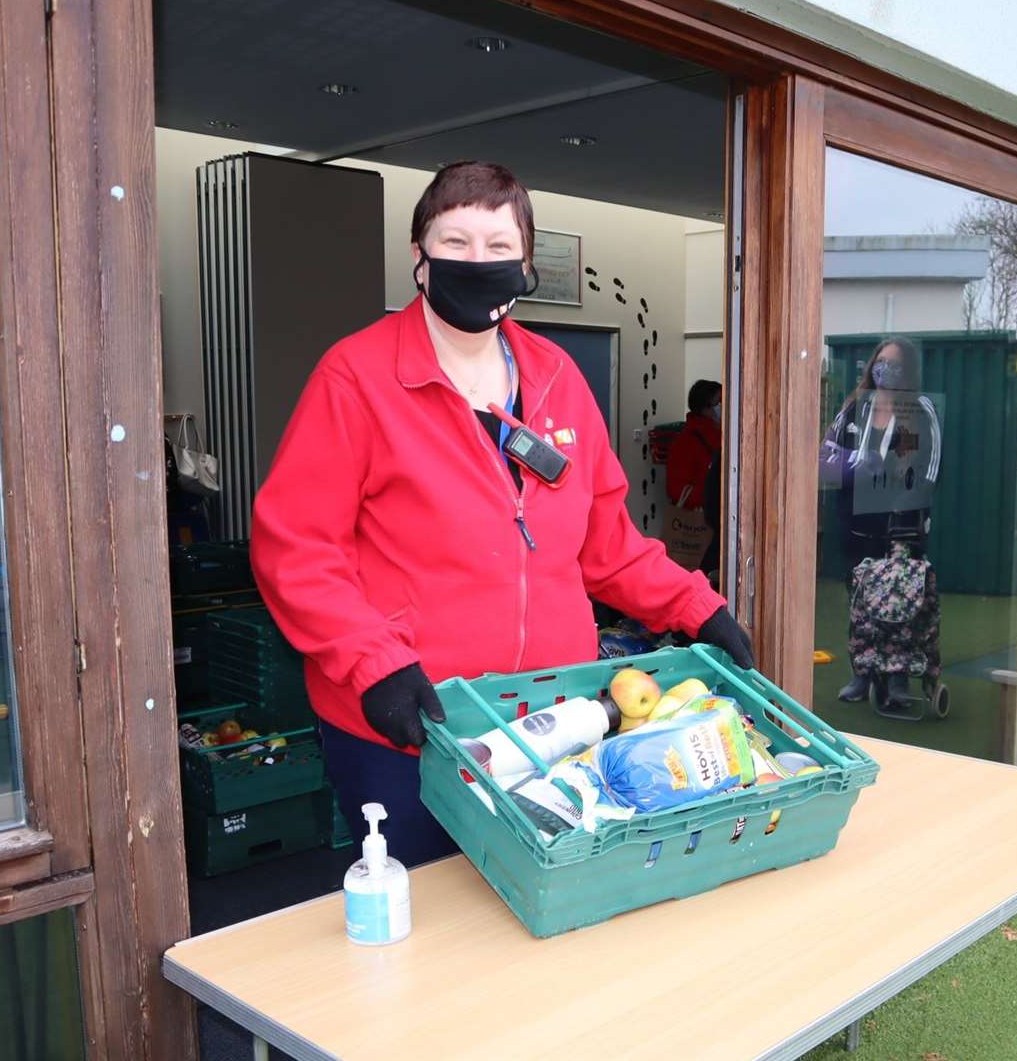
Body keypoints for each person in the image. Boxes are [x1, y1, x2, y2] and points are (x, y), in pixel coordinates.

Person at [250, 161, 752, 866]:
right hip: (415, 725)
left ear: (525, 265)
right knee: (433, 923)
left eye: (497, 246)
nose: (475, 261)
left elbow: (606, 541)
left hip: (554, 721)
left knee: (544, 899)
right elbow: (294, 549)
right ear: (419, 257)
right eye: (454, 242)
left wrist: (697, 607)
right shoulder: (356, 377)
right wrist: (375, 665)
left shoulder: (555, 378)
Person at [819, 337, 941, 709]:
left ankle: (897, 678)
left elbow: (927, 467)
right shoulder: (856, 406)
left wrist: (904, 496)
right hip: (856, 524)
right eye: (880, 361)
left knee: (900, 602)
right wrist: (862, 462)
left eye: (894, 363)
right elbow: (826, 456)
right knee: (860, 601)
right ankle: (863, 673)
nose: (884, 369)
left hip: (900, 526)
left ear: (908, 370)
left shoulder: (919, 409)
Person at [665, 379, 723, 573]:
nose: (724, 407)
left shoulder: (723, 436)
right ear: (705, 408)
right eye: (720, 402)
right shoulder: (687, 441)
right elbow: (676, 490)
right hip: (704, 525)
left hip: (717, 523)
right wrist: (714, 495)